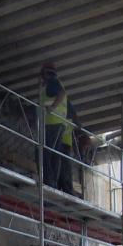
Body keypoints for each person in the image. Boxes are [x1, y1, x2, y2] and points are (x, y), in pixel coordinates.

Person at [38, 62, 75, 195]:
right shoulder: (56, 83)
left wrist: (52, 107)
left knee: (44, 151)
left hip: (52, 123)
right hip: (59, 124)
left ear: (44, 74)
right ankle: (53, 181)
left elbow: (61, 93)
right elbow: (71, 110)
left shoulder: (52, 83)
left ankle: (50, 181)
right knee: (54, 154)